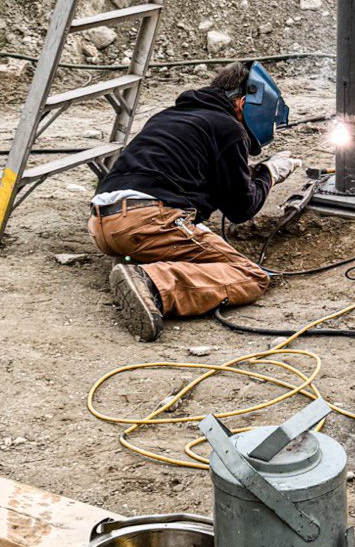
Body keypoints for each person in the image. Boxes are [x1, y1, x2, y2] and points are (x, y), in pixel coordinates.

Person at [89, 60, 304, 344]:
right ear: (242, 104)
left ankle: (140, 262)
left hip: (103, 226)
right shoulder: (228, 127)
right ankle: (152, 283)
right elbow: (241, 208)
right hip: (146, 222)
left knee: (178, 235)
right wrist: (270, 172)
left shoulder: (168, 117)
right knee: (250, 276)